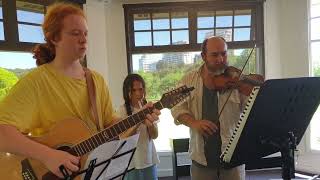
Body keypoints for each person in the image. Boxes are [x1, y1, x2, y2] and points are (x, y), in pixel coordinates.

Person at [0, 2, 159, 179]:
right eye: (75, 33)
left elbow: (108, 125)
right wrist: (48, 155)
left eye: (85, 33)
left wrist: (136, 118)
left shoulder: (96, 80)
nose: (83, 39)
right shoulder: (36, 82)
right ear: (54, 38)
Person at [171, 36, 247, 180]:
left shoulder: (236, 80)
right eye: (214, 55)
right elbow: (177, 107)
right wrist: (194, 123)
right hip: (201, 160)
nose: (220, 59)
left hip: (233, 159)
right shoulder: (188, 80)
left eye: (224, 53)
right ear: (203, 56)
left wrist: (250, 89)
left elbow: (252, 109)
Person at [117, 74, 159, 180]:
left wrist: (150, 125)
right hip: (131, 163)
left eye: (140, 89)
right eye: (133, 90)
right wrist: (139, 120)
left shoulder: (149, 108)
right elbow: (122, 138)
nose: (138, 93)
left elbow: (155, 136)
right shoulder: (122, 110)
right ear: (127, 92)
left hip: (149, 159)